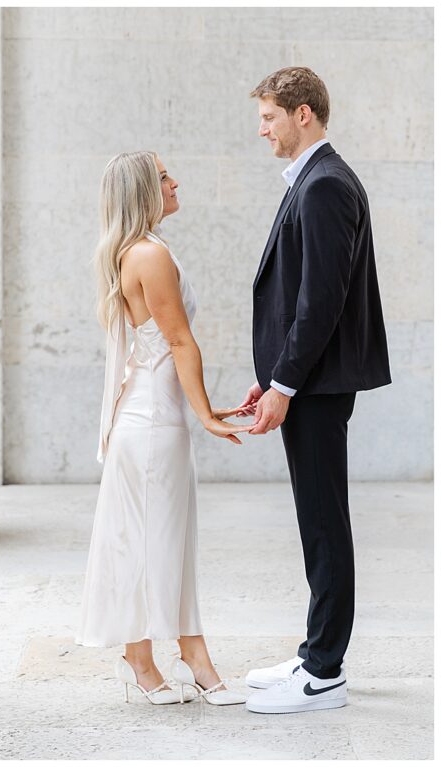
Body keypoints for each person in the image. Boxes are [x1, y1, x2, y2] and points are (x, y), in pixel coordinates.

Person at [241, 67, 390, 714]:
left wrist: (285, 383)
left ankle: (325, 669)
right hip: (310, 383)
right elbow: (304, 296)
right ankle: (314, 651)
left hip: (318, 387)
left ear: (305, 114)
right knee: (316, 520)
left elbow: (320, 301)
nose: (262, 127)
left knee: (325, 523)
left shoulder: (325, 185)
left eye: (270, 116)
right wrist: (273, 375)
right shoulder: (314, 180)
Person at [77, 151, 249, 706]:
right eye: (164, 177)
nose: (176, 181)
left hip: (151, 416)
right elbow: (178, 342)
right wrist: (204, 414)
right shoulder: (148, 255)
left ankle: (147, 657)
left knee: (154, 539)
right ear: (142, 193)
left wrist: (201, 408)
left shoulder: (138, 251)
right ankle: (184, 657)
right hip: (153, 422)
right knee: (158, 540)